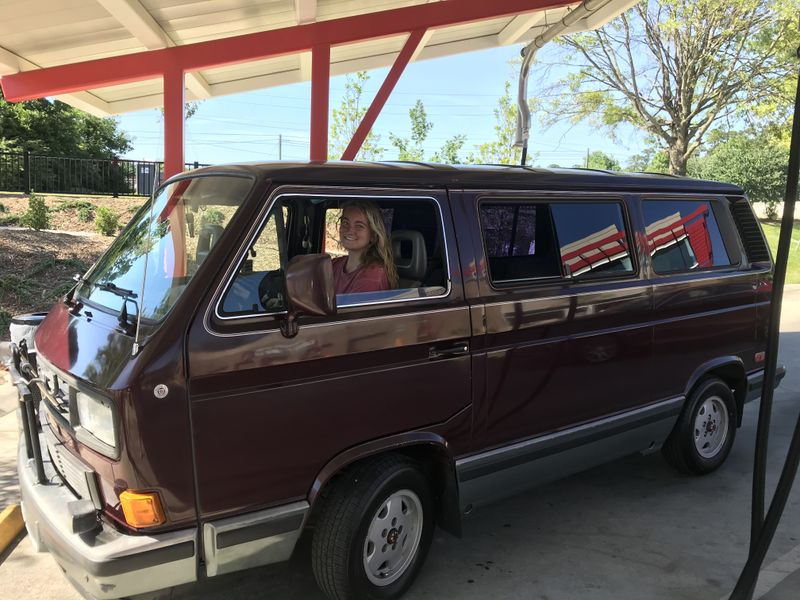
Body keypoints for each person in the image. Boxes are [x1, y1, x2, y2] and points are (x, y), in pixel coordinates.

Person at [332, 200, 398, 294]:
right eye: (345, 223)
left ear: (373, 235)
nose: (350, 230)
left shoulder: (373, 276)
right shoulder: (334, 264)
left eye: (359, 226)